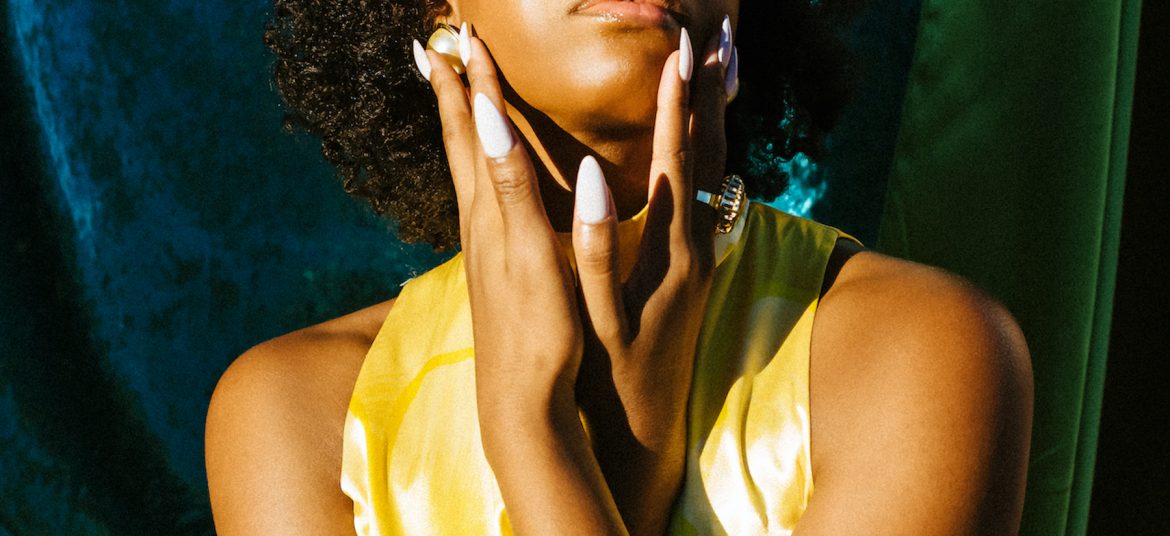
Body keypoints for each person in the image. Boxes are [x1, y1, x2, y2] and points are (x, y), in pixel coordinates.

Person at [205, 0, 1034, 534]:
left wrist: (536, 437)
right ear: (436, 7)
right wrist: (611, 459)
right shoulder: (298, 413)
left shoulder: (916, 352)